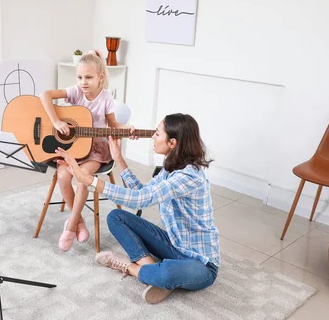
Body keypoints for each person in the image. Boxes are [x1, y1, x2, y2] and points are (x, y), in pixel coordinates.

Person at [55, 113, 220, 304]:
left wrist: (89, 180)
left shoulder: (188, 177)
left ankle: (131, 268)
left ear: (172, 142)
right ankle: (152, 273)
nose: (153, 137)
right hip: (174, 244)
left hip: (201, 263)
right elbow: (143, 193)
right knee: (116, 217)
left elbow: (139, 199)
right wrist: (119, 158)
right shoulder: (170, 168)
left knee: (167, 273)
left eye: (157, 134)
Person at [40, 50, 135, 252]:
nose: (83, 82)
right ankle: (81, 221)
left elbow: (114, 125)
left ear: (100, 78)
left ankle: (71, 223)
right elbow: (45, 95)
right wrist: (56, 122)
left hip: (97, 149)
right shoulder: (75, 92)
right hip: (74, 147)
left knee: (84, 177)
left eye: (89, 77)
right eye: (80, 77)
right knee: (63, 176)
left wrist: (128, 129)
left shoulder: (107, 98)